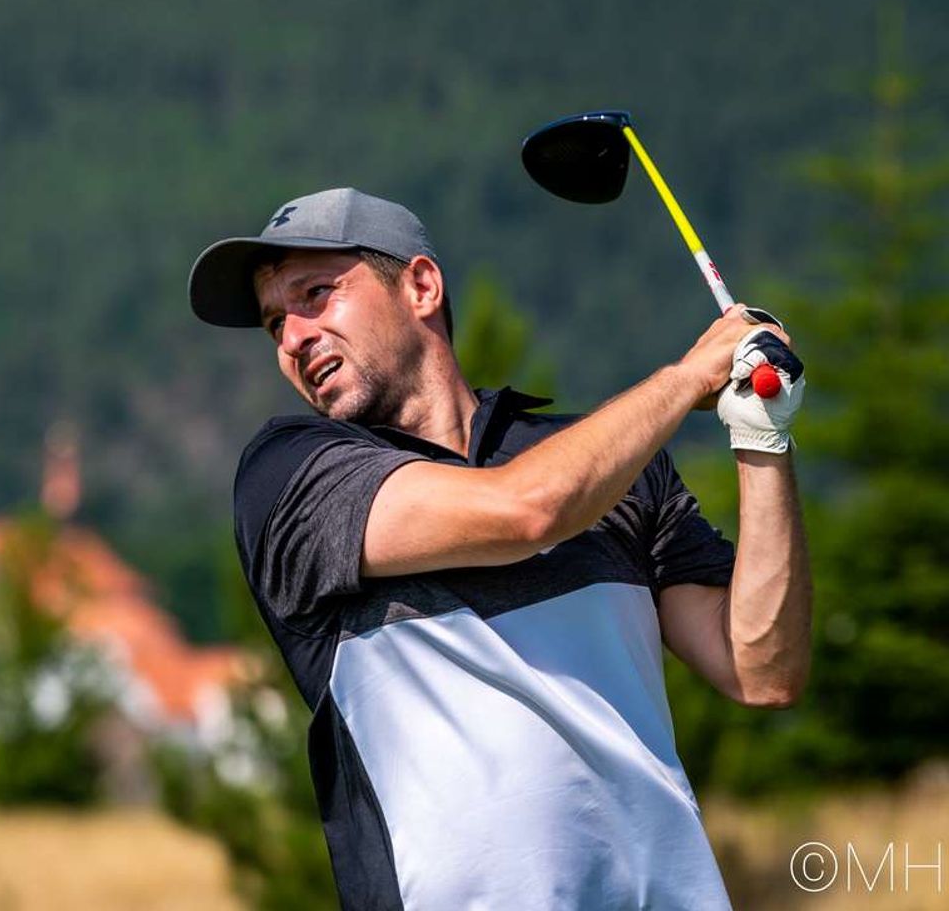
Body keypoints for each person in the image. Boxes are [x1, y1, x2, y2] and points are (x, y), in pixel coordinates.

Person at [187, 187, 811, 910]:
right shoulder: (291, 473)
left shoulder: (615, 470)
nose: (293, 338)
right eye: (275, 324)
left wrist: (762, 437)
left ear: (421, 286)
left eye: (316, 295)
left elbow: (763, 670)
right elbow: (527, 510)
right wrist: (690, 376)